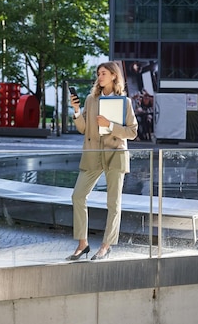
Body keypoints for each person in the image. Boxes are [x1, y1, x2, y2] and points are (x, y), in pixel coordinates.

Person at [66, 61, 138, 261]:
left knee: (113, 203)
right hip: (93, 154)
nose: (100, 76)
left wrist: (110, 125)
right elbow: (83, 129)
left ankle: (106, 245)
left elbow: (132, 132)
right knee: (78, 196)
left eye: (104, 73)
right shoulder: (91, 99)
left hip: (116, 154)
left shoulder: (125, 102)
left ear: (114, 76)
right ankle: (83, 243)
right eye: (98, 73)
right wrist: (77, 111)